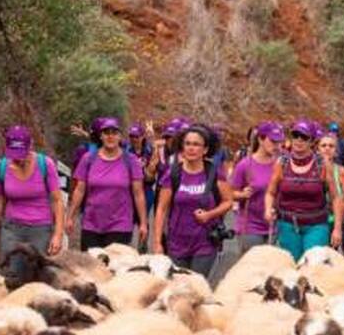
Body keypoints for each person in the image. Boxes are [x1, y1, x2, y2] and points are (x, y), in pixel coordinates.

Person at [152, 125, 234, 277]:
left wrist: (210, 214)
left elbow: (228, 201)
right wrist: (157, 242)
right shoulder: (174, 173)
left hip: (205, 244)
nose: (191, 148)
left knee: (196, 286)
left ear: (205, 150)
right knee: (179, 286)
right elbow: (161, 209)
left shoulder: (214, 173)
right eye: (187, 144)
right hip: (176, 243)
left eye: (196, 144)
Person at [264, 119, 344, 260]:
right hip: (288, 226)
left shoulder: (322, 164)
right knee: (292, 268)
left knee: (312, 269)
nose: (299, 140)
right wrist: (268, 209)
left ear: (312, 141)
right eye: (295, 135)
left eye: (304, 137)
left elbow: (336, 198)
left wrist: (337, 228)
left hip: (316, 226)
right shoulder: (282, 163)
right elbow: (270, 192)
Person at [66, 117, 148, 250]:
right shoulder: (88, 159)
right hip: (91, 224)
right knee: (91, 267)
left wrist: (143, 223)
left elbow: (138, 193)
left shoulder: (130, 161)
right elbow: (79, 190)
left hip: (120, 225)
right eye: (106, 133)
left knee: (115, 268)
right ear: (101, 136)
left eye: (114, 133)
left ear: (120, 137)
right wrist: (70, 216)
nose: (110, 136)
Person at [0, 125, 64, 257]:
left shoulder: (45, 164)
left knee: (36, 272)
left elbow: (57, 201)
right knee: (13, 271)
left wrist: (58, 234)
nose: (19, 158)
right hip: (12, 228)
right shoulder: (0, 167)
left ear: (30, 146)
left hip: (40, 227)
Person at [230, 121, 283, 252]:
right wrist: (242, 195)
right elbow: (229, 193)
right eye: (273, 141)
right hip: (250, 226)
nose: (277, 145)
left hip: (274, 224)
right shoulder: (245, 165)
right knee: (253, 268)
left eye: (279, 142)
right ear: (260, 139)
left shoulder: (281, 163)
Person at [318, 132, 344, 252]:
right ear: (318, 149)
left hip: (334, 220)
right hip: (316, 220)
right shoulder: (311, 169)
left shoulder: (342, 171)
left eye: (331, 146)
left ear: (336, 150)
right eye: (323, 145)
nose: (327, 148)